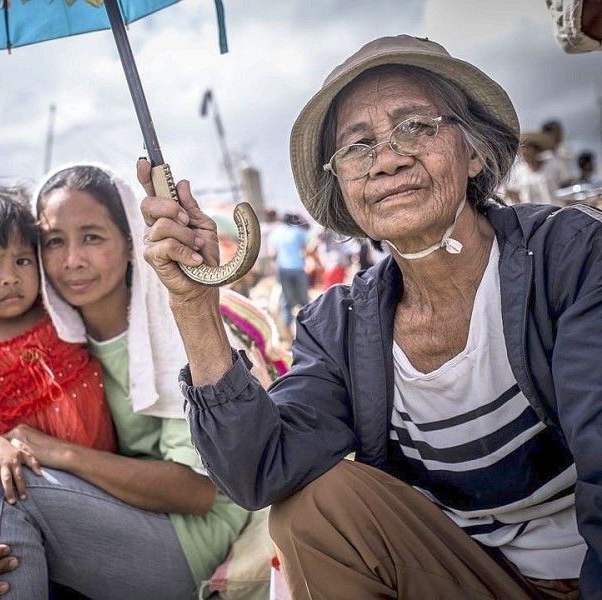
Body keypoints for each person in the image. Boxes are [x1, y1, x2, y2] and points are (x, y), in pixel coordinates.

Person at [139, 34, 602, 599]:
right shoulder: (340, 324)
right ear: (343, 185)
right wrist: (194, 306)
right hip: (463, 576)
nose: (387, 159)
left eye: (417, 126)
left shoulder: (568, 256)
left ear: (473, 151)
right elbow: (259, 471)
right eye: (358, 147)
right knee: (310, 511)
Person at [0, 163, 248, 600]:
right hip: (105, 508)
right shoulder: (55, 334)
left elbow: (197, 492)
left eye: (92, 237)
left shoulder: (175, 331)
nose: (71, 260)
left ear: (130, 244)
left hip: (187, 537)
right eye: (53, 242)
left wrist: (61, 452)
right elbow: (1, 431)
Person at [0, 181, 116, 504]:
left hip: (102, 467)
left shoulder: (56, 310)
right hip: (34, 476)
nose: (10, 276)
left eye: (22, 260)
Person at [267, 212, 312, 340]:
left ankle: (289, 337)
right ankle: (310, 330)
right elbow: (306, 249)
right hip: (298, 268)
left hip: (283, 270)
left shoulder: (275, 233)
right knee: (304, 299)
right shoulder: (298, 232)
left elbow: (272, 253)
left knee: (287, 301)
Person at [503, 131, 559, 205]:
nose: (525, 152)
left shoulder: (552, 166)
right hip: (532, 214)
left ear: (537, 149)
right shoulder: (518, 172)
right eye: (523, 149)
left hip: (556, 209)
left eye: (529, 148)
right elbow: (512, 193)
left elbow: (566, 185)